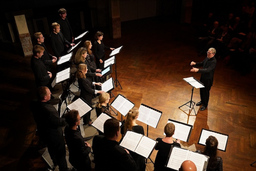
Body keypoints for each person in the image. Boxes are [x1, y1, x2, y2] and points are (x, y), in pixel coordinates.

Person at [31, 86, 68, 171]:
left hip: (44, 133)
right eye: (49, 93)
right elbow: (58, 122)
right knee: (61, 155)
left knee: (51, 149)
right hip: (54, 135)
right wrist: (68, 119)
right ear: (44, 97)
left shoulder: (34, 103)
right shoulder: (49, 111)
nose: (51, 93)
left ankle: (55, 162)